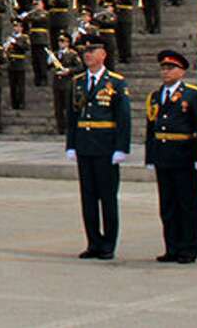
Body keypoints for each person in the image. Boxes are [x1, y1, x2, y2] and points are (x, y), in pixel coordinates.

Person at [65, 34, 130, 260]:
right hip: (84, 145)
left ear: (103, 54)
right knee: (88, 197)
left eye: (92, 51)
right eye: (85, 51)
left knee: (108, 197)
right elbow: (72, 116)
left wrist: (121, 148)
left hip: (106, 146)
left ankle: (108, 244)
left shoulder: (116, 82)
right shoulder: (78, 82)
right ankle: (93, 242)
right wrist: (71, 144)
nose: (88, 55)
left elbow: (123, 118)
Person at [144, 49, 197, 264]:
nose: (166, 72)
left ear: (182, 71)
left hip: (184, 154)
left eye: (171, 68)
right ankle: (172, 246)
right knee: (167, 205)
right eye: (164, 68)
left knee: (186, 204)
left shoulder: (192, 94)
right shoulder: (155, 96)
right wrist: (150, 157)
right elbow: (151, 129)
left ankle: (189, 247)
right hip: (163, 155)